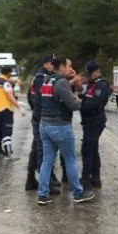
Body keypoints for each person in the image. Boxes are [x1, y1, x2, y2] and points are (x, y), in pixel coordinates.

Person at [37, 57, 96, 205]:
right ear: (62, 66)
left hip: (45, 125)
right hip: (60, 126)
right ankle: (78, 192)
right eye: (69, 66)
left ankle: (42, 195)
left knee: (47, 161)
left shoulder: (47, 80)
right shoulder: (61, 82)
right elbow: (73, 105)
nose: (71, 68)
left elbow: (55, 95)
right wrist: (78, 100)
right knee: (70, 160)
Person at [26, 56, 62, 191]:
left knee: (36, 148)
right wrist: (41, 115)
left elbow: (30, 97)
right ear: (45, 64)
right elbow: (40, 100)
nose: (53, 65)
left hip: (39, 117)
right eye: (51, 63)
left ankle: (31, 179)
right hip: (41, 118)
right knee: (43, 150)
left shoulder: (41, 76)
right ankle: (46, 183)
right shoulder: (41, 78)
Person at [79, 61, 111, 189]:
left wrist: (79, 104)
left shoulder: (101, 85)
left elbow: (93, 103)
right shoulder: (91, 84)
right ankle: (95, 178)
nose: (87, 76)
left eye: (89, 73)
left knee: (87, 150)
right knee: (93, 149)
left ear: (97, 72)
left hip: (95, 121)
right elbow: (84, 96)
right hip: (89, 121)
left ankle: (86, 179)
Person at [0, 66, 25, 159]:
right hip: (6, 109)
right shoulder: (6, 83)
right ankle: (8, 153)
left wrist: (16, 81)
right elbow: (10, 97)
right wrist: (19, 107)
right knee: (7, 131)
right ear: (9, 73)